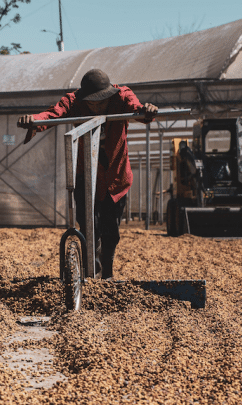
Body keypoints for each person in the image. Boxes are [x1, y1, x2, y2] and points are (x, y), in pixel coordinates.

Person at [18, 69, 158, 279]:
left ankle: (108, 271)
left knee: (111, 230)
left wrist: (147, 110)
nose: (97, 105)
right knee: (88, 226)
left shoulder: (121, 96)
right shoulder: (74, 101)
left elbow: (137, 108)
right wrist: (34, 121)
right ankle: (90, 270)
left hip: (116, 177)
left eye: (101, 101)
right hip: (86, 174)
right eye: (92, 102)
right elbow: (52, 114)